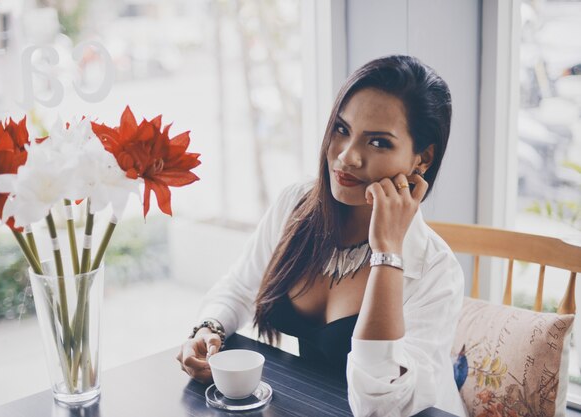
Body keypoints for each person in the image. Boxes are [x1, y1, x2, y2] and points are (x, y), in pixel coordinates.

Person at [177, 55, 467, 417]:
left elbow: (379, 407)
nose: (347, 157)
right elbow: (238, 288)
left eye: (378, 143)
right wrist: (209, 329)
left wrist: (387, 254)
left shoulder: (436, 271)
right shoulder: (295, 206)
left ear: (421, 159)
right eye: (342, 130)